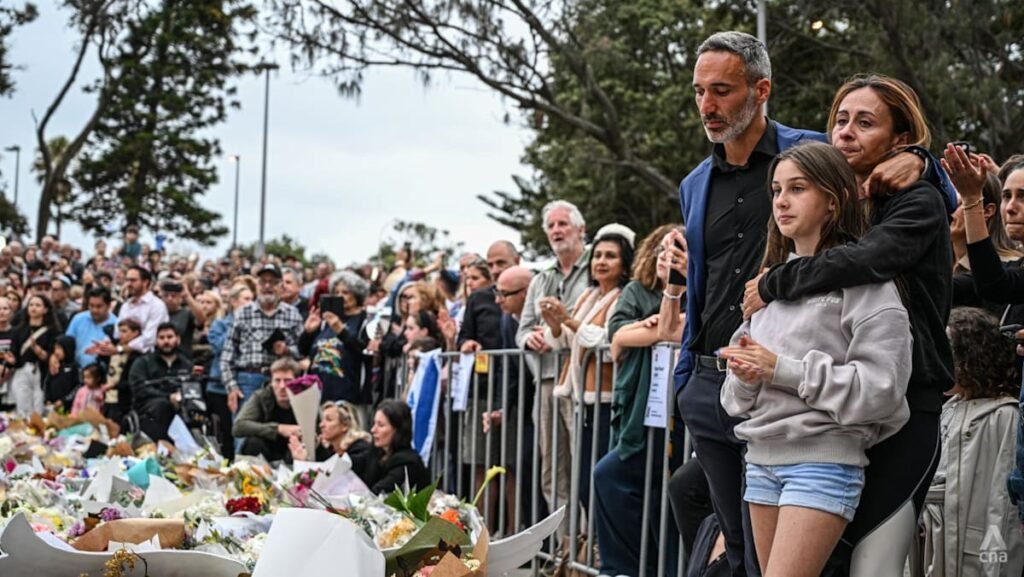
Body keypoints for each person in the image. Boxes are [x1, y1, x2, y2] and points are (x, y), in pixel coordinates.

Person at [675, 31, 945, 577]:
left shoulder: (831, 164)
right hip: (738, 401)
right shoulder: (696, 183)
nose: (708, 104)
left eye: (722, 90)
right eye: (700, 91)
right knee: (729, 538)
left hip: (868, 414)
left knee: (860, 563)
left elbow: (872, 252)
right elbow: (704, 286)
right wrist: (692, 378)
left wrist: (925, 161)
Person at [745, 75, 954, 576]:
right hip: (835, 418)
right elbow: (768, 141)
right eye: (840, 120)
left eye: (865, 122)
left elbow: (867, 261)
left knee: (874, 565)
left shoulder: (916, 199)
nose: (845, 132)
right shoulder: (846, 197)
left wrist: (775, 281)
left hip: (908, 402)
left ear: (900, 139)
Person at [719, 142, 913, 577]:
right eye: (775, 190)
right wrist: (746, 376)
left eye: (797, 188)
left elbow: (882, 389)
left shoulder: (865, 286)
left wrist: (780, 370)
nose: (781, 201)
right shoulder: (767, 284)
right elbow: (733, 401)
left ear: (833, 199)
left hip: (821, 464)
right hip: (759, 460)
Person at [593, 224, 683, 577]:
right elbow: (615, 335)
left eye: (676, 251)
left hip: (680, 416)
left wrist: (646, 331)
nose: (666, 257)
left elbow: (678, 330)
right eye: (661, 250)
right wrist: (649, 330)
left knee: (669, 496)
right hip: (641, 411)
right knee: (610, 476)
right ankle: (621, 569)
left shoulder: (699, 290)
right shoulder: (636, 291)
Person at [541, 224, 634, 527]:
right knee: (582, 484)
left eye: (611, 256)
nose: (601, 262)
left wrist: (567, 320)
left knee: (598, 481)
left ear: (624, 265)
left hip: (607, 400)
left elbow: (609, 343)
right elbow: (567, 342)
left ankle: (599, 549)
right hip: (582, 401)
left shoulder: (624, 297)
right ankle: (589, 547)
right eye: (598, 256)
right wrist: (555, 324)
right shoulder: (588, 296)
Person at [922, 307, 1024, 577]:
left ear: (972, 357)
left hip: (972, 546)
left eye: (948, 354)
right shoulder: (948, 408)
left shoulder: (1004, 416)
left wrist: (997, 565)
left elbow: (1002, 502)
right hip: (931, 538)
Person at [515, 200, 590, 536]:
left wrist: (553, 331)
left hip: (581, 381)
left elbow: (588, 321)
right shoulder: (541, 278)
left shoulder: (594, 268)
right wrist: (529, 340)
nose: (557, 231)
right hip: (545, 381)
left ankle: (590, 550)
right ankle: (566, 548)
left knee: (582, 465)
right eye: (552, 227)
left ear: (579, 230)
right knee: (552, 469)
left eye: (563, 224)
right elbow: (522, 329)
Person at [221, 263, 303, 414]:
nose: (267, 286)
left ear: (280, 286)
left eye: (273, 282)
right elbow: (227, 356)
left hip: (281, 383)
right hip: (248, 380)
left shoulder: (293, 314)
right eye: (263, 281)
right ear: (257, 285)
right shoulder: (242, 313)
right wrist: (231, 387)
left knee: (279, 433)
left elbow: (303, 353)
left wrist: (286, 350)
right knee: (245, 434)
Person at [300, 270, 373, 403]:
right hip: (318, 395)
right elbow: (303, 350)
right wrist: (308, 332)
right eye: (337, 292)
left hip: (349, 398)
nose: (340, 296)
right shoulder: (325, 322)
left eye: (345, 292)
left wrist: (341, 331)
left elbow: (365, 351)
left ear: (357, 295)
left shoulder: (365, 321)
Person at [350, 399, 431, 494]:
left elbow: (379, 492)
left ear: (397, 430)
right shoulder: (377, 452)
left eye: (380, 425)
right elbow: (353, 463)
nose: (373, 430)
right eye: (374, 424)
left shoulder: (407, 463)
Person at [129, 323, 192, 442]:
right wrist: (168, 397)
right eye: (162, 338)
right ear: (156, 340)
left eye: (169, 337)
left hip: (181, 404)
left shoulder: (186, 364)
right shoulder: (143, 362)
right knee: (162, 405)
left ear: (177, 339)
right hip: (150, 408)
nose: (166, 341)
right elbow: (139, 389)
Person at [232, 357, 302, 463]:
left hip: (295, 452)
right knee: (252, 443)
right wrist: (278, 429)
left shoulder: (305, 398)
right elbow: (238, 427)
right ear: (271, 382)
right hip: (266, 449)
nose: (282, 386)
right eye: (277, 381)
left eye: (288, 381)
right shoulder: (261, 397)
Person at [10, 294, 59, 416]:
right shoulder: (18, 330)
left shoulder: (52, 330)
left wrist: (38, 350)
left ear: (45, 309)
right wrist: (11, 359)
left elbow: (52, 355)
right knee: (22, 404)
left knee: (38, 405)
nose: (33, 308)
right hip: (22, 370)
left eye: (38, 305)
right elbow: (15, 354)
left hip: (41, 372)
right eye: (31, 305)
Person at [288, 400, 372, 463]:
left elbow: (336, 471)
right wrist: (305, 459)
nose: (321, 425)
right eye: (322, 420)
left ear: (345, 425)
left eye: (329, 419)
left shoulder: (361, 449)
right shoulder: (329, 450)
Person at [118, 265, 170, 353]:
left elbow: (150, 338)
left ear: (145, 282)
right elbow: (117, 332)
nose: (129, 284)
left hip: (148, 356)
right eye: (127, 280)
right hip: (124, 354)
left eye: (133, 280)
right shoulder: (126, 305)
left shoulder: (157, 305)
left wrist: (121, 349)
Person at [102, 317, 142, 425]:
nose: (121, 334)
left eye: (125, 331)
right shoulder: (114, 349)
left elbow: (132, 380)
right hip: (108, 397)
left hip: (123, 399)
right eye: (120, 331)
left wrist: (115, 385)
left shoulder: (136, 355)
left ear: (135, 333)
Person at [66, 288, 118, 368]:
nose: (94, 310)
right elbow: (67, 343)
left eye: (99, 306)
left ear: (108, 306)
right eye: (91, 306)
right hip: (76, 371)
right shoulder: (78, 319)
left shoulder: (116, 325)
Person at [159, 278, 205, 360]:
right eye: (166, 296)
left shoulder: (187, 313)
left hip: (182, 358)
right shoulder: (156, 313)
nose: (169, 299)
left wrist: (187, 296)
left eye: (173, 296)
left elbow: (201, 320)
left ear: (180, 298)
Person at [46, 335, 80, 409]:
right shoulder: (55, 365)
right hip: (53, 405)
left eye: (59, 348)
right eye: (55, 348)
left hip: (69, 406)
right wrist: (47, 399)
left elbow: (78, 387)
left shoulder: (74, 366)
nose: (56, 351)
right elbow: (47, 383)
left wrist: (64, 401)